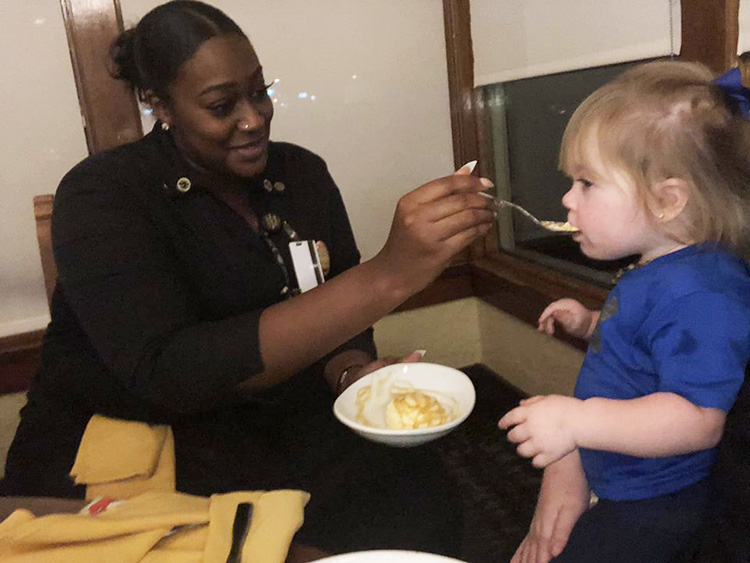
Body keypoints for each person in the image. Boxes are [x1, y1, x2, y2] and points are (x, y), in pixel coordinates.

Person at [0, 1, 496, 556]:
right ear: (158, 104)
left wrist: (350, 372)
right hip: (140, 430)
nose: (254, 118)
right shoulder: (103, 196)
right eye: (221, 104)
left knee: (420, 506)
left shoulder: (301, 174)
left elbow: (335, 309)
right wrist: (389, 275)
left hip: (280, 416)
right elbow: (171, 372)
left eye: (259, 92)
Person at [498, 60, 750, 563]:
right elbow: (650, 346)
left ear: (667, 201)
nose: (568, 198)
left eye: (587, 183)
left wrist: (577, 423)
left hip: (654, 502)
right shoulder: (661, 267)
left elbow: (698, 418)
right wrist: (591, 322)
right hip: (617, 473)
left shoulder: (703, 293)